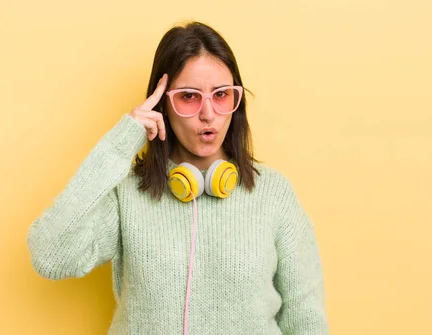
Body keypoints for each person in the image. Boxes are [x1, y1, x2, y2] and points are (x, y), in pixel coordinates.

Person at [26, 21, 329, 334]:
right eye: (189, 96)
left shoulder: (274, 193)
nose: (208, 114)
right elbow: (50, 256)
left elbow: (306, 319)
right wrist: (120, 143)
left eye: (222, 95)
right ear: (162, 104)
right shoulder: (127, 195)